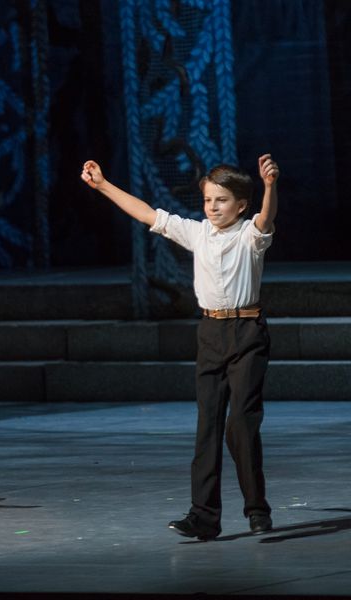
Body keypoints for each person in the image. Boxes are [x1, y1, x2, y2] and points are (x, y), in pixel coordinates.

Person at [81, 154, 279, 540]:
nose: (213, 207)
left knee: (240, 424)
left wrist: (270, 186)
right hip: (211, 333)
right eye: (208, 200)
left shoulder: (250, 235)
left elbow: (266, 218)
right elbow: (148, 214)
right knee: (208, 425)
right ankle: (204, 516)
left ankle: (257, 508)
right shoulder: (198, 233)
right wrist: (103, 185)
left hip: (247, 334)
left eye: (222, 200)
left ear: (241, 205)